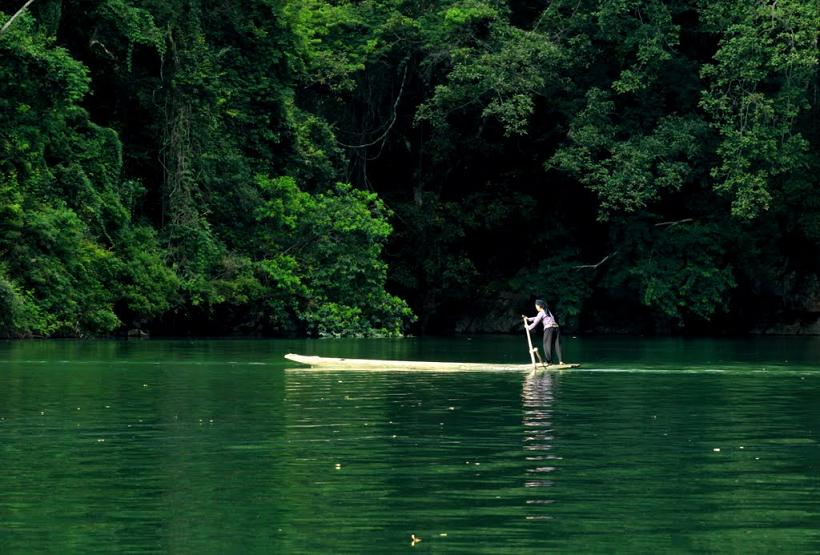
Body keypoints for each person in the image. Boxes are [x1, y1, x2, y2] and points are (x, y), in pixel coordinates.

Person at [523, 299, 563, 365]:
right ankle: (561, 361)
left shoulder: (541, 313)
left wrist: (528, 327)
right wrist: (528, 319)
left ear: (539, 306)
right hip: (556, 328)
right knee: (557, 345)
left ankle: (548, 362)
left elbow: (535, 323)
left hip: (549, 329)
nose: (536, 307)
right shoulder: (547, 311)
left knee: (546, 345)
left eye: (536, 306)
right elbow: (537, 317)